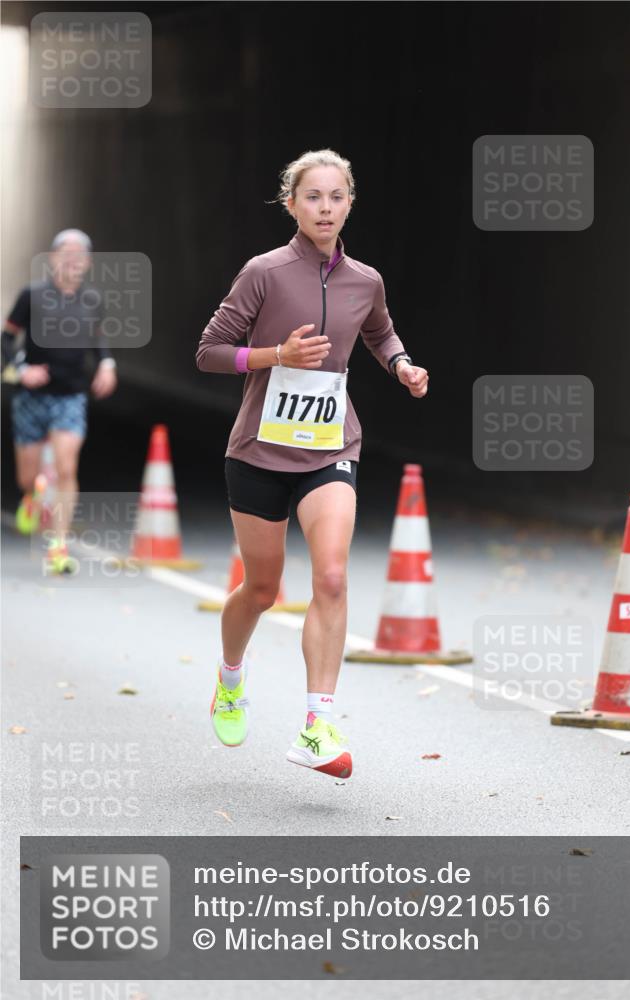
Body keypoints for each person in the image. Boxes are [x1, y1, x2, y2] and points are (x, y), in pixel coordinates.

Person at [196, 149, 428, 780]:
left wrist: (402, 365)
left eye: (336, 197)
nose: (325, 207)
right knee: (263, 588)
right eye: (313, 197)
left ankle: (317, 725)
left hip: (331, 447)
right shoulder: (263, 273)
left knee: (331, 576)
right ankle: (231, 677)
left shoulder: (366, 279)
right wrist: (277, 355)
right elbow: (210, 353)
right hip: (259, 453)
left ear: (350, 202)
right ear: (291, 204)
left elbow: (380, 331)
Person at [1, 229, 117, 573]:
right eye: (65, 253)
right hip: (32, 397)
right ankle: (31, 496)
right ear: (53, 259)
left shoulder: (93, 300)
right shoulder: (32, 296)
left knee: (67, 467)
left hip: (71, 396)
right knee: (28, 476)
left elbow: (98, 340)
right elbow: (6, 339)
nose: (72, 260)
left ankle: (57, 545)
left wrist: (107, 366)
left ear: (87, 263)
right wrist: (21, 370)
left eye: (79, 254)